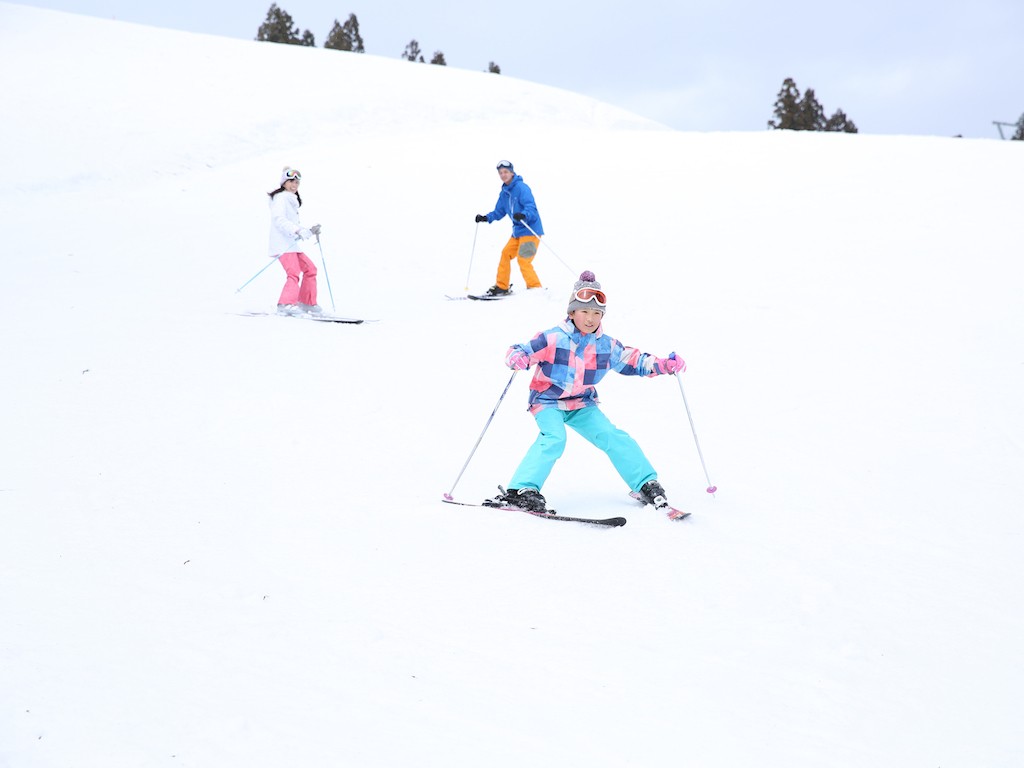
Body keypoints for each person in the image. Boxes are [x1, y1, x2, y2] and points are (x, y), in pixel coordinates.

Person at [493, 271, 686, 513]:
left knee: (612, 436)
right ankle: (521, 490)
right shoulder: (553, 338)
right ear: (572, 312)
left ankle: (645, 484)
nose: (590, 318)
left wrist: (664, 365)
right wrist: (517, 358)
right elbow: (519, 350)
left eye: (596, 313)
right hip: (548, 401)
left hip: (582, 404)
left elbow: (634, 361)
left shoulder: (605, 345)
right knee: (554, 438)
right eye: (584, 311)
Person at [474, 160, 543, 296]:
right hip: (517, 233)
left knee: (523, 259)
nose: (503, 175)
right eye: (500, 173)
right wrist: (486, 217)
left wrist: (523, 215)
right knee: (506, 254)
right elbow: (499, 212)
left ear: (512, 172)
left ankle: (536, 289)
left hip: (530, 230)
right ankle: (502, 286)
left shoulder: (522, 188)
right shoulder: (504, 193)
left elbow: (531, 207)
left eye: (506, 172)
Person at [267, 166, 322, 316]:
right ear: (284, 182)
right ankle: (285, 304)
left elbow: (293, 226)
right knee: (294, 273)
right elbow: (279, 220)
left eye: (297, 183)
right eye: (291, 181)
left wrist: (308, 231)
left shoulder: (290, 200)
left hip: (291, 245)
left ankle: (306, 303)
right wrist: (297, 230)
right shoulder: (280, 198)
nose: (294, 185)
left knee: (310, 269)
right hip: (281, 245)